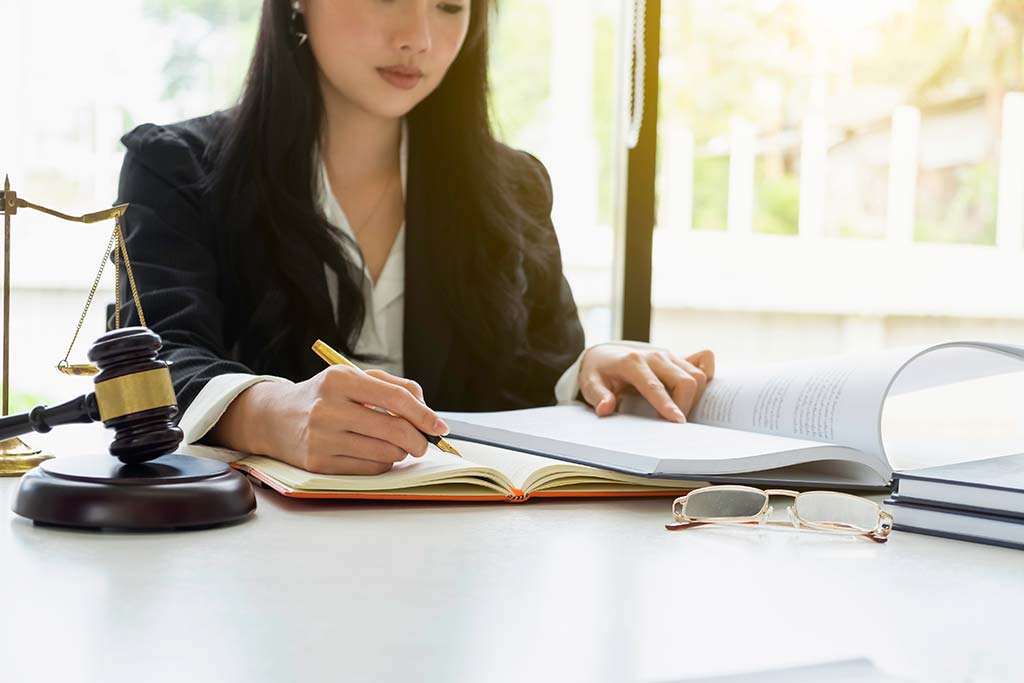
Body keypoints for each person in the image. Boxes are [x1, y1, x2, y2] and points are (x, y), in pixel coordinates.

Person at [115, 0, 714, 476]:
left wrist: (590, 369)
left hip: (467, 558)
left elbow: (528, 375)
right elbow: (152, 361)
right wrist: (268, 414)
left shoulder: (513, 186)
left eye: (451, 6)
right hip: (250, 559)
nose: (419, 38)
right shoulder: (177, 171)